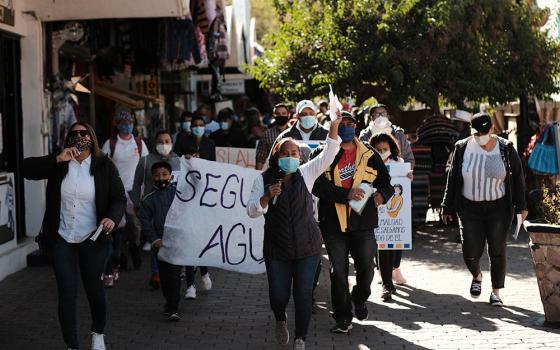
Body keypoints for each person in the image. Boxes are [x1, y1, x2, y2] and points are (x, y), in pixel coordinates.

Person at [23, 122, 126, 350]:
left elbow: (119, 198)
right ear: (67, 138)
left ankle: (98, 331)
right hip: (62, 239)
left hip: (93, 239)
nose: (79, 137)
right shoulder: (60, 164)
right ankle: (72, 344)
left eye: (83, 133)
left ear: (91, 137)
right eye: (73, 133)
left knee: (95, 291)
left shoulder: (104, 165)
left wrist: (111, 218)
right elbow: (26, 169)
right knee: (67, 293)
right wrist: (57, 159)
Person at [247, 113, 343, 350]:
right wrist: (267, 196)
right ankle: (281, 319)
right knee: (278, 296)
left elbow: (329, 153)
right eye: (285, 154)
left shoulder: (307, 173)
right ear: (276, 157)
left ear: (300, 157)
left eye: (294, 154)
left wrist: (334, 125)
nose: (290, 157)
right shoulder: (262, 180)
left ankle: (301, 338)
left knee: (302, 296)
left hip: (307, 247)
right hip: (277, 249)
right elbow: (251, 211)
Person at [311, 112, 394, 333]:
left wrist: (381, 196)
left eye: (350, 124)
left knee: (367, 268)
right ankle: (342, 318)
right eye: (341, 124)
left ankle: (359, 298)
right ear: (333, 127)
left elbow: (387, 183)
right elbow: (316, 186)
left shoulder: (369, 153)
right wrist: (346, 194)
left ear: (356, 127)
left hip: (363, 222)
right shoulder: (322, 153)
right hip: (333, 224)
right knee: (338, 272)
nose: (346, 127)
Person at [442, 113, 528, 307]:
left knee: (497, 251)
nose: (480, 136)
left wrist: (522, 207)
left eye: (484, 132)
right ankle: (477, 275)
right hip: (469, 209)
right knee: (470, 252)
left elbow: (518, 179)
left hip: (498, 208)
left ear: (492, 130)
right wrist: (446, 206)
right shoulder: (462, 148)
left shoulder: (506, 148)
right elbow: (453, 178)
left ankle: (496, 292)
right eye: (476, 133)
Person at [101, 111, 149, 286]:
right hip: (117, 192)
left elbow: (146, 164)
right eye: (124, 121)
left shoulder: (139, 143)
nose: (127, 124)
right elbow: (103, 164)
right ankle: (118, 258)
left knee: (135, 226)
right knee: (117, 227)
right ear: (118, 124)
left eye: (130, 121)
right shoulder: (111, 144)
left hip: (134, 191)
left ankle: (134, 251)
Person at [130, 130, 181, 289]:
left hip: (174, 209)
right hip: (151, 208)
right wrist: (137, 204)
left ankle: (175, 269)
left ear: (172, 143)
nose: (164, 144)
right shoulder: (145, 161)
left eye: (167, 141)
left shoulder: (179, 161)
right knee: (154, 239)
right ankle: (155, 272)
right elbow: (136, 184)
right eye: (160, 141)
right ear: (154, 143)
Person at [369, 132, 413, 300]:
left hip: (395, 215)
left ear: (391, 148)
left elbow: (405, 184)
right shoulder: (369, 163)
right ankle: (387, 284)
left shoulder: (399, 163)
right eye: (378, 149)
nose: (382, 152)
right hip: (377, 212)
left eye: (385, 149)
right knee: (382, 247)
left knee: (394, 249)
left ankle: (392, 274)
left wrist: (408, 177)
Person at [138, 161, 183, 321]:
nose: (161, 177)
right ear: (152, 178)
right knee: (164, 277)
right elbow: (144, 222)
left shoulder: (178, 193)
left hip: (177, 242)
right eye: (157, 175)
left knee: (174, 276)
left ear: (171, 176)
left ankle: (173, 308)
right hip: (160, 244)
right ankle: (169, 302)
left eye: (164, 174)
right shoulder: (149, 199)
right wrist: (154, 240)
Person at [255, 103, 291, 170]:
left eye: (283, 113)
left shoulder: (294, 133)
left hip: (292, 172)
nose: (281, 116)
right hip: (273, 172)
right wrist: (257, 174)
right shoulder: (267, 134)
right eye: (278, 114)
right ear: (274, 116)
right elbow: (260, 157)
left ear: (288, 115)